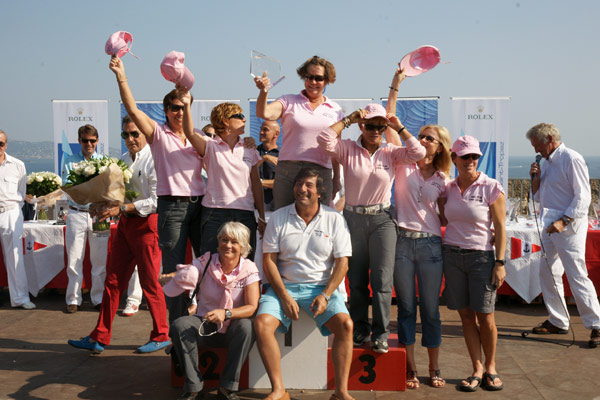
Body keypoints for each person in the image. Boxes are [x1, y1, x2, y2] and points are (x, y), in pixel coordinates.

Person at [317, 103, 425, 355]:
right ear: (362, 125)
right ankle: (359, 328)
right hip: (353, 219)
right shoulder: (348, 149)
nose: (375, 130)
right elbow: (324, 139)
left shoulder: (391, 152)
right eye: (370, 125)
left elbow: (418, 152)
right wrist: (348, 119)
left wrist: (399, 127)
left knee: (382, 281)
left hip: (383, 220)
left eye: (380, 126)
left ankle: (381, 333)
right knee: (356, 280)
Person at [109, 56, 205, 323]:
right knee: (173, 270)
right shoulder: (158, 134)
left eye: (184, 107)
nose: (179, 112)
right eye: (174, 107)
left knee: (206, 264)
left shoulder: (198, 136)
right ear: (165, 110)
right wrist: (121, 75)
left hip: (201, 206)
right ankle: (175, 329)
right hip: (172, 207)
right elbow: (132, 108)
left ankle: (201, 320)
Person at [67, 115, 170, 354]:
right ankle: (100, 336)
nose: (130, 139)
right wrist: (100, 205)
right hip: (125, 225)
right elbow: (117, 196)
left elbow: (157, 201)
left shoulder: (156, 159)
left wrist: (122, 208)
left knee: (150, 283)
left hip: (147, 226)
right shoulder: (123, 160)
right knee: (112, 282)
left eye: (135, 134)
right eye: (126, 134)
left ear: (145, 134)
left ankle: (162, 334)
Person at [254, 168, 354, 400]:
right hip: (283, 287)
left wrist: (327, 295)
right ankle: (279, 390)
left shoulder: (334, 219)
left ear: (320, 192)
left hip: (322, 289)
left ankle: (341, 392)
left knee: (346, 325)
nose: (302, 189)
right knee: (261, 324)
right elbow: (269, 261)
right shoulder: (278, 216)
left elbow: (342, 263)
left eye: (309, 185)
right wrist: (285, 296)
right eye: (299, 184)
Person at [386, 68, 451, 389]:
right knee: (407, 309)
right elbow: (389, 118)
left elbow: (449, 218)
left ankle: (434, 369)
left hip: (430, 248)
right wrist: (396, 84)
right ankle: (410, 368)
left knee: (431, 311)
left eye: (430, 138)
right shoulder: (402, 162)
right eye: (421, 136)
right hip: (400, 244)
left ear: (440, 148)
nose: (423, 141)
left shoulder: (445, 181)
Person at [439, 135, 506, 392]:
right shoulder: (448, 188)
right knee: (466, 316)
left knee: (486, 316)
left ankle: (491, 366)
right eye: (464, 156)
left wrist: (499, 262)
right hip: (452, 256)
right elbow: (443, 220)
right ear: (454, 158)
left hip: (482, 257)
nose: (470, 160)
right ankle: (477, 368)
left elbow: (500, 228)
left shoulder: (491, 186)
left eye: (474, 156)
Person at [164, 222, 260, 400]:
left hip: (232, 328)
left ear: (243, 246)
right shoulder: (206, 261)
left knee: (247, 326)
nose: (228, 245)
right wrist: (171, 277)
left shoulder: (249, 268)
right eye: (224, 240)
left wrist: (226, 313)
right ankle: (193, 387)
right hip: (204, 324)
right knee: (180, 325)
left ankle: (227, 388)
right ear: (218, 241)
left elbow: (252, 307)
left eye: (234, 241)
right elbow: (188, 271)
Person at [527, 123, 600, 348]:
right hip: (549, 223)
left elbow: (583, 196)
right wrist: (535, 178)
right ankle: (558, 320)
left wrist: (564, 220)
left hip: (567, 226)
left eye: (537, 144)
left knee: (577, 273)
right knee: (547, 272)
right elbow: (538, 197)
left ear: (550, 138)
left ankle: (596, 324)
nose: (536, 150)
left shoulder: (571, 158)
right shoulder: (546, 162)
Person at [180, 97, 266, 260]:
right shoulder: (210, 145)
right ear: (226, 121)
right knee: (211, 264)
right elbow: (189, 132)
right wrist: (186, 104)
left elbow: (256, 184)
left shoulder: (249, 148)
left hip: (245, 213)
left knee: (244, 265)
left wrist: (260, 215)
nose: (244, 119)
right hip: (214, 213)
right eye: (239, 116)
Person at [254, 55, 344, 209]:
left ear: (327, 80)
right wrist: (263, 92)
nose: (313, 82)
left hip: (321, 171)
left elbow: (335, 149)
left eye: (319, 78)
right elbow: (264, 113)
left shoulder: (335, 109)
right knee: (284, 220)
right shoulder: (288, 101)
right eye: (309, 77)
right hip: (288, 171)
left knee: (319, 223)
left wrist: (336, 179)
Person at [61, 124, 108, 313]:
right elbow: (67, 187)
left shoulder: (104, 162)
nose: (89, 144)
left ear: (97, 141)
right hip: (76, 213)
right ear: (79, 141)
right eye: (85, 140)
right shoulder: (69, 162)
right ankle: (73, 298)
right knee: (74, 258)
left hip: (99, 215)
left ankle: (98, 298)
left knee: (100, 260)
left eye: (92, 140)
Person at [0, 129, 35, 310]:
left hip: (10, 212)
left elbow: (21, 194)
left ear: (6, 145)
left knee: (14, 256)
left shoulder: (18, 165)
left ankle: (20, 298)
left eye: (1, 143)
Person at [257, 121, 280, 211]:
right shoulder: (252, 151)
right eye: (260, 129)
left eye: (265, 130)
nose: (261, 132)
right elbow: (246, 175)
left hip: (275, 207)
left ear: (276, 134)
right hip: (253, 205)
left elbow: (282, 183)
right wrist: (264, 158)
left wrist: (258, 182)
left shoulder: (283, 155)